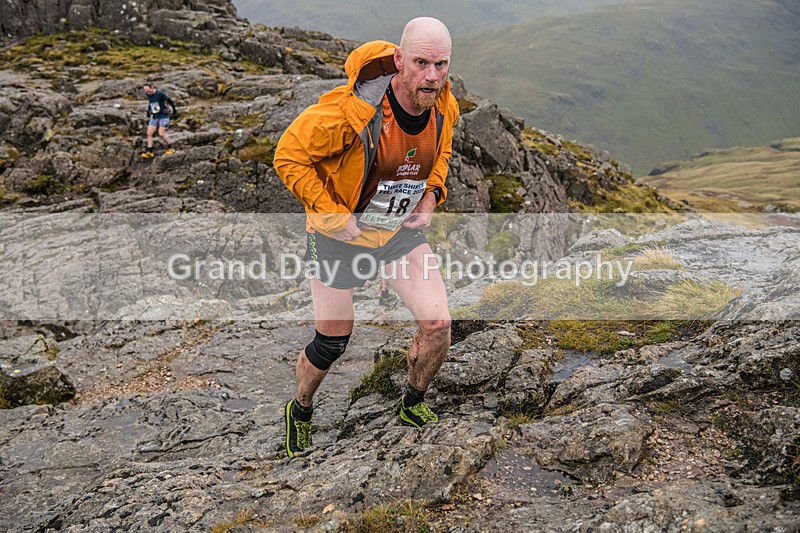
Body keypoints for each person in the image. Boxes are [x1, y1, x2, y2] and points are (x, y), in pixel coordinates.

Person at [274, 17, 459, 458]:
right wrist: (332, 214)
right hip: (341, 237)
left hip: (396, 234)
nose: (432, 76)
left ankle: (412, 402)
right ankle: (300, 409)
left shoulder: (445, 105)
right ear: (399, 60)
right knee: (333, 340)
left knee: (438, 326)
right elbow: (289, 156)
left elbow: (442, 153)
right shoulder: (351, 111)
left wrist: (432, 195)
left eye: (441, 64)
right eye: (420, 63)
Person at [141, 83, 177, 158]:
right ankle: (149, 151)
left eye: (149, 90)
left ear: (152, 88)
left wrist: (175, 111)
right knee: (149, 133)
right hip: (155, 116)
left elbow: (170, 101)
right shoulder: (148, 94)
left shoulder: (160, 94)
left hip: (163, 116)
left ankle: (170, 148)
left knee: (161, 133)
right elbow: (151, 102)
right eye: (146, 91)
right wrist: (148, 110)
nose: (148, 92)